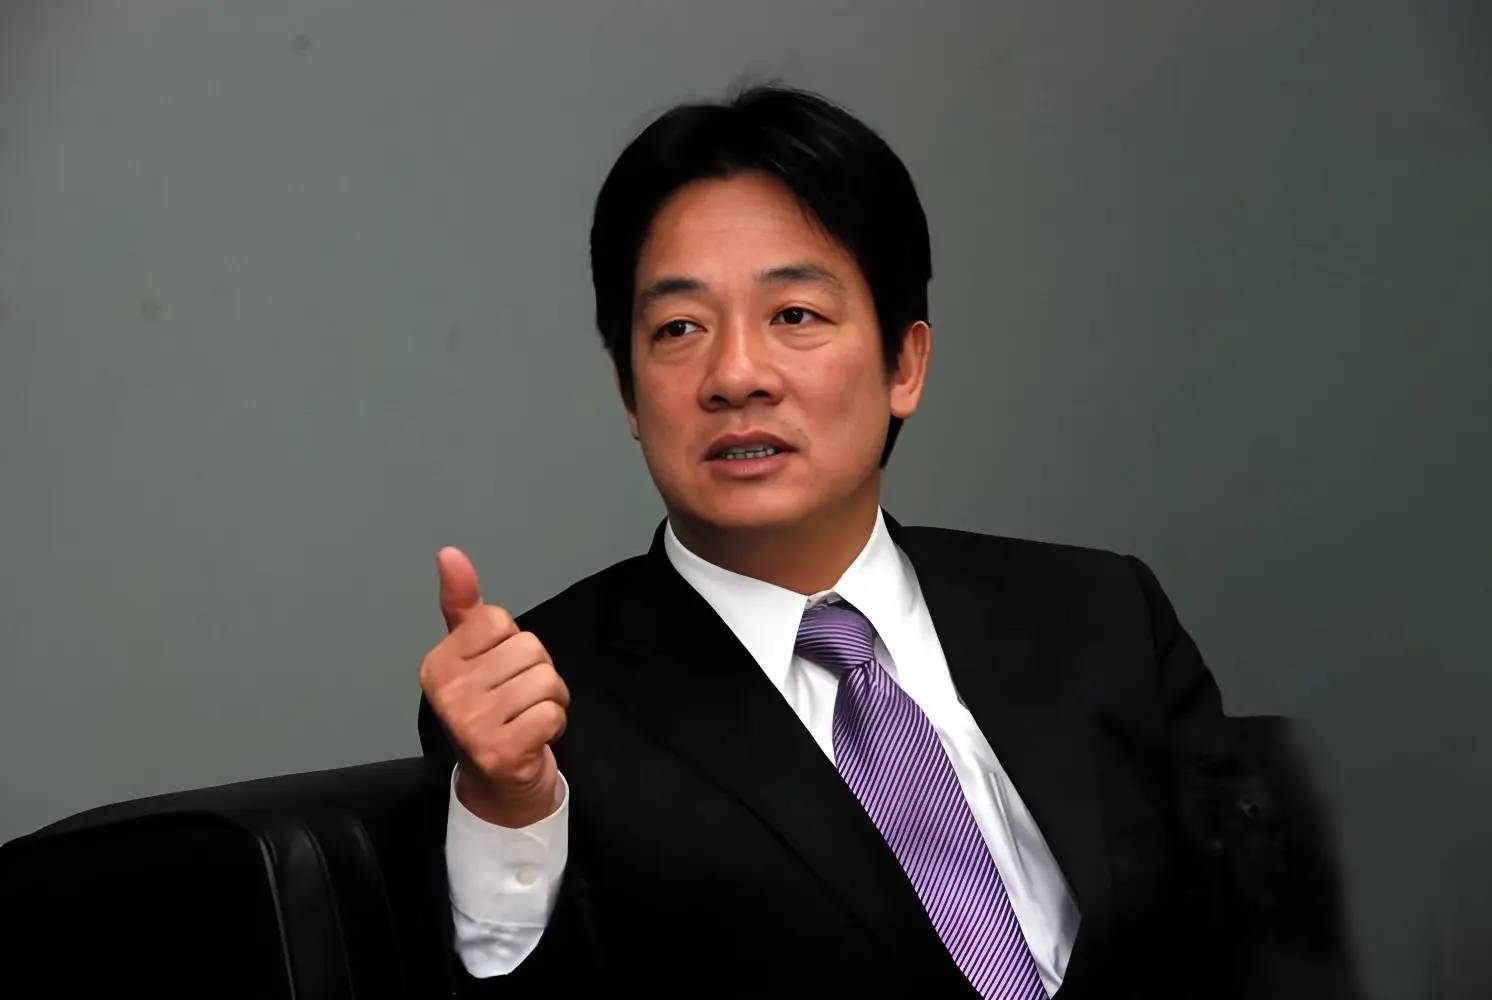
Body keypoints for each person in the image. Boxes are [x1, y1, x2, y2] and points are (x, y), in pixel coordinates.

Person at [415, 85, 1319, 998]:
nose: (736, 375)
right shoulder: (542, 701)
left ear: (904, 364)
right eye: (679, 328)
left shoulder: (1101, 615)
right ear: (629, 394)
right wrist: (511, 810)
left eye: (794, 316)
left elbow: (1267, 936)